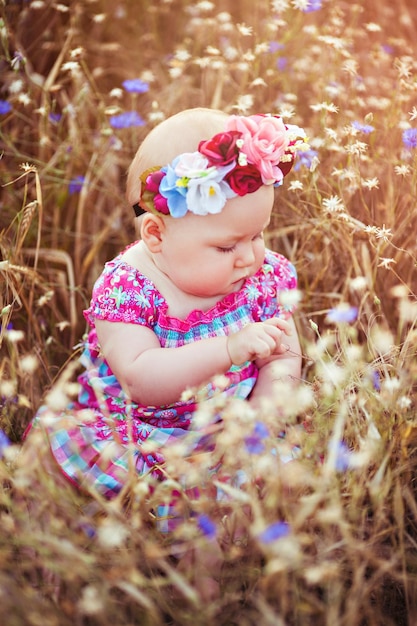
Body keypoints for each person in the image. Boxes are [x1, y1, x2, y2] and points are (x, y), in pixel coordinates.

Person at [23, 107, 306, 522]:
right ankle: (45, 543)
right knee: (54, 456)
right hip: (136, 435)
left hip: (226, 430)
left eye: (258, 234)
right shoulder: (128, 288)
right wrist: (229, 348)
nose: (249, 257)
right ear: (155, 234)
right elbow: (142, 381)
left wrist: (257, 424)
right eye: (227, 246)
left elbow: (283, 356)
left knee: (266, 487)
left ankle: (210, 572)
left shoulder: (264, 276)